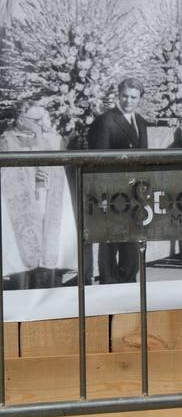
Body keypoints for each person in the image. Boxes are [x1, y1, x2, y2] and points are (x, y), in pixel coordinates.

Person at [0, 104, 74, 288]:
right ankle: (20, 290)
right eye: (35, 120)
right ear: (20, 119)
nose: (40, 124)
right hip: (17, 207)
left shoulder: (47, 141)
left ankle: (45, 290)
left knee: (45, 247)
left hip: (44, 201)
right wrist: (31, 177)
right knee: (20, 254)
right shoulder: (6, 142)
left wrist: (48, 175)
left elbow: (59, 171)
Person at [88, 77, 149, 284]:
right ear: (118, 95)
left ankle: (128, 282)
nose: (128, 101)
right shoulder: (106, 121)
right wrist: (102, 195)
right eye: (124, 96)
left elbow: (144, 158)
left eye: (133, 97)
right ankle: (109, 284)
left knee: (132, 243)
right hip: (112, 191)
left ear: (140, 98)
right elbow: (99, 161)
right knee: (110, 241)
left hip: (134, 192)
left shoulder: (140, 121)